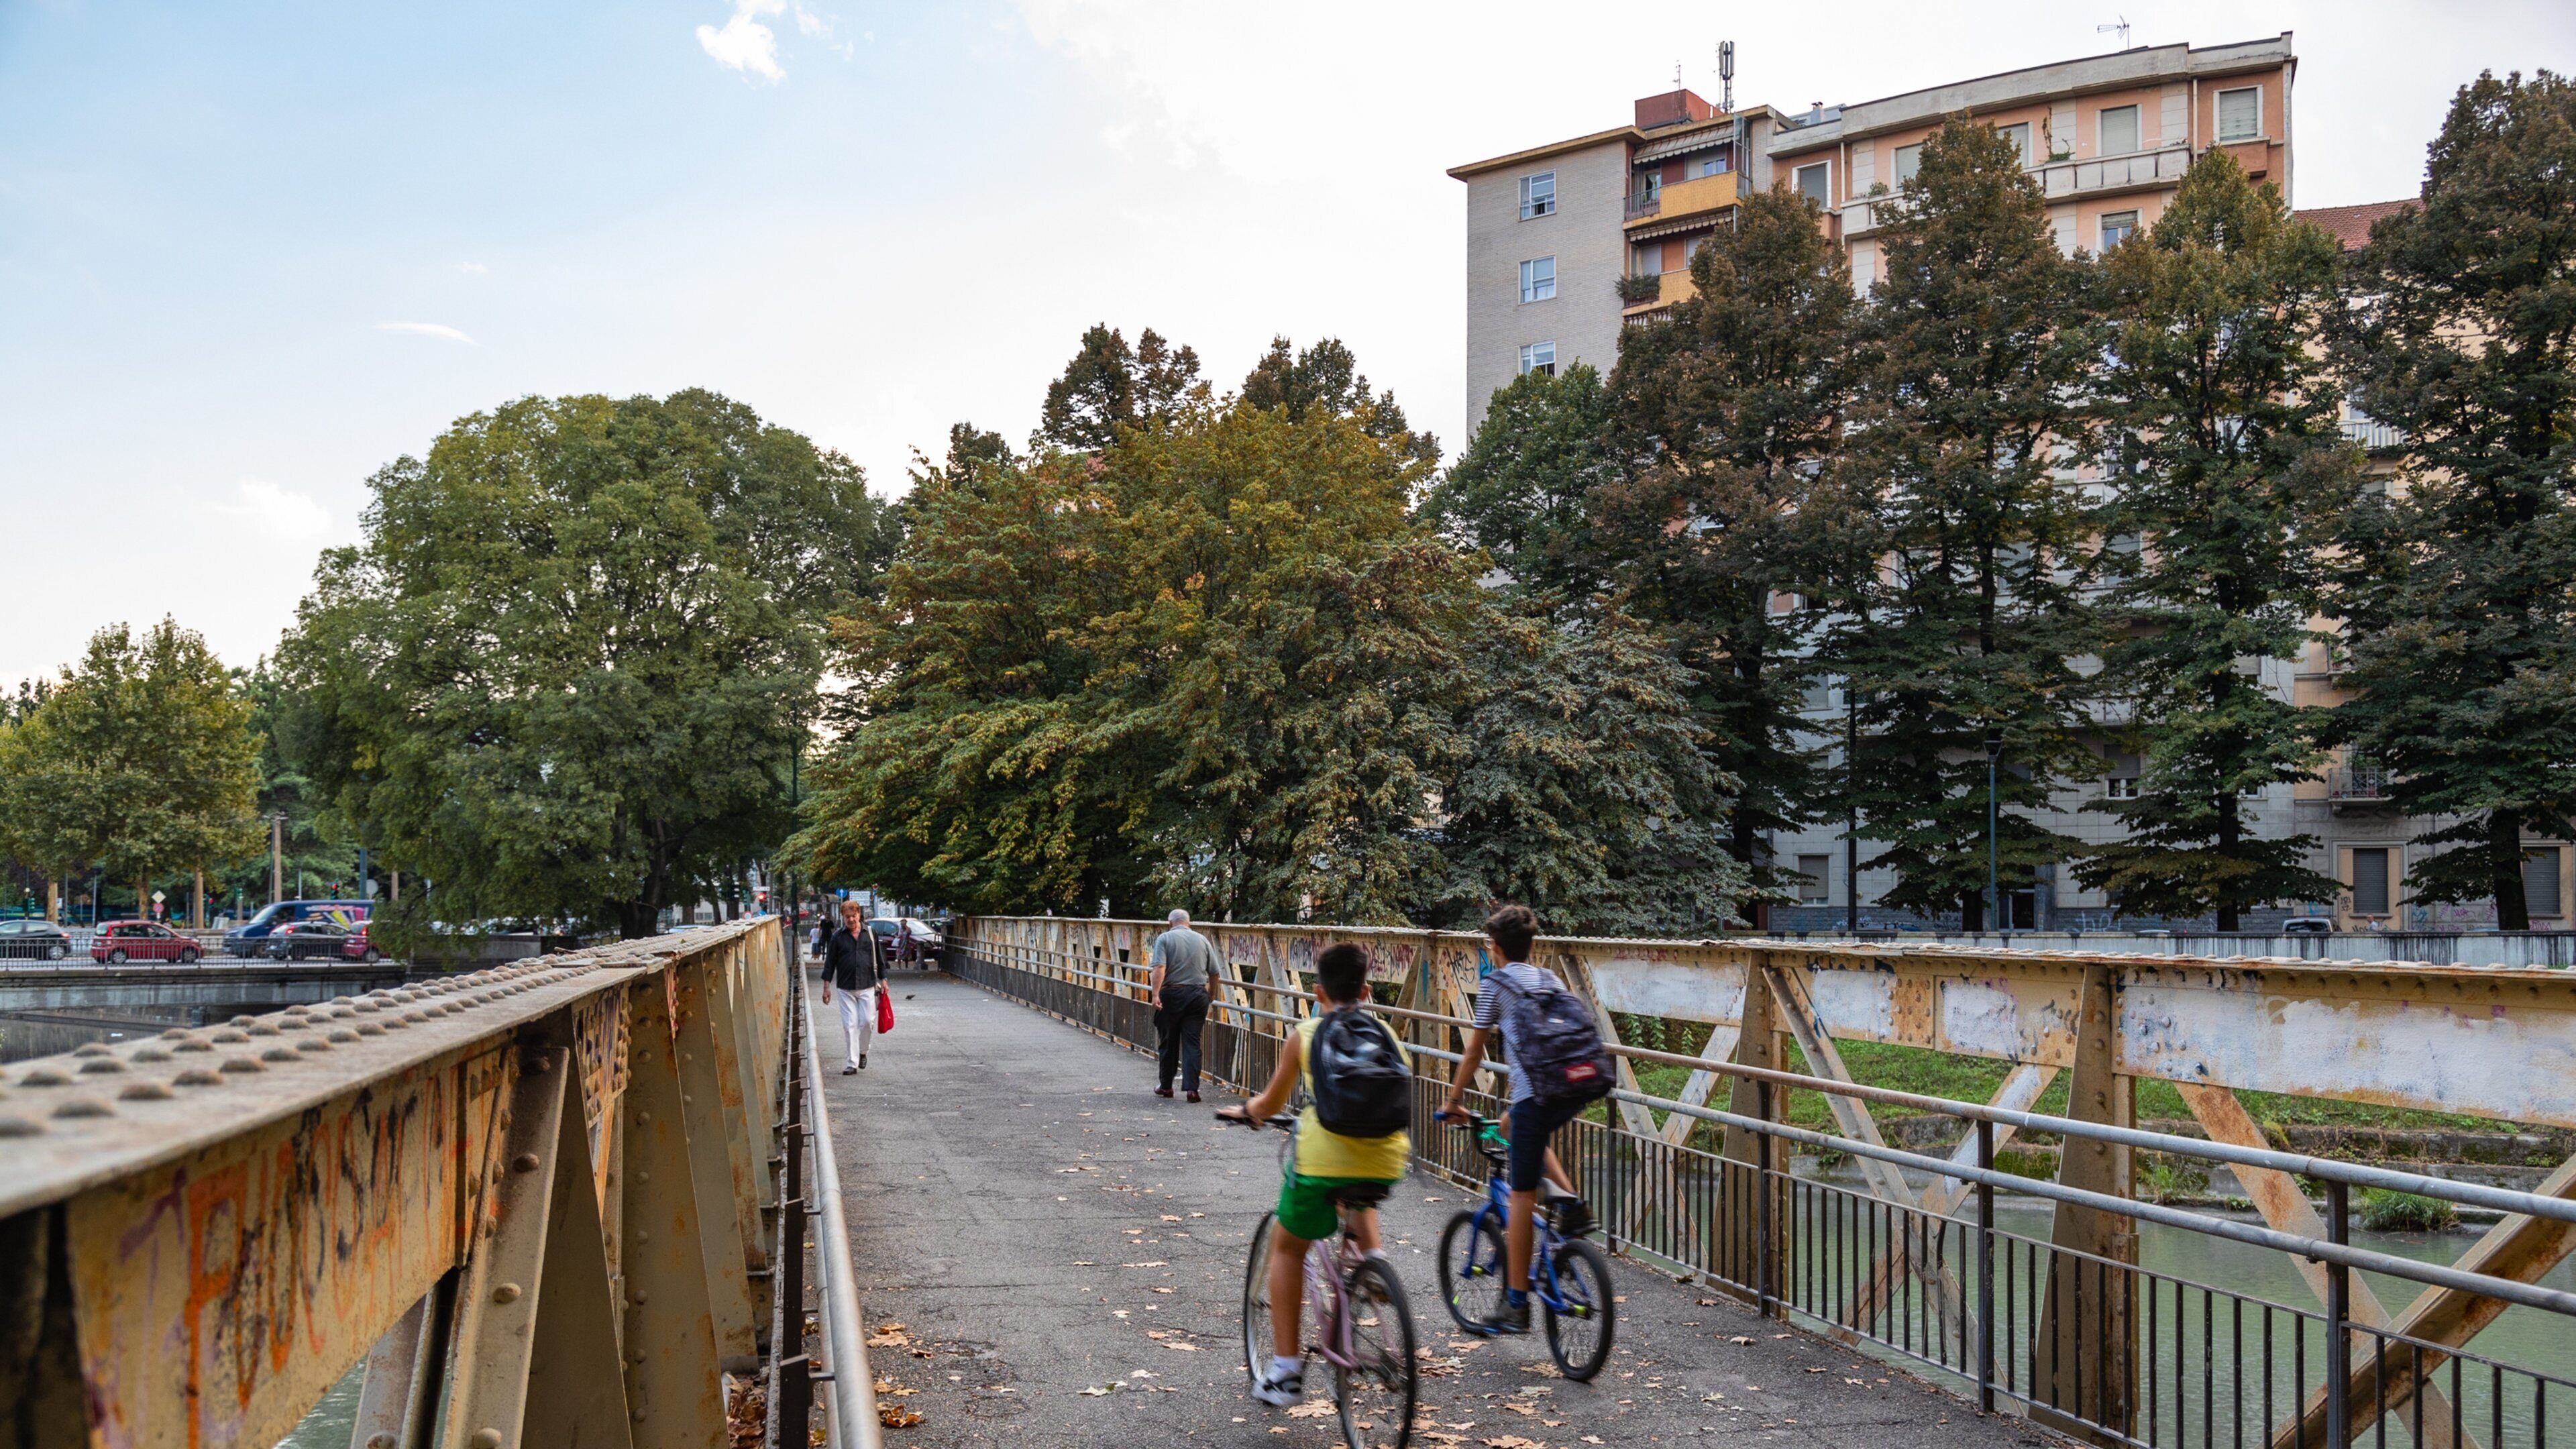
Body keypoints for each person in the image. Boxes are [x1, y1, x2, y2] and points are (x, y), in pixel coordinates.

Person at [1216, 943, 1408, 1407]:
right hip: (1387, 1156)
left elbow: (1272, 1104)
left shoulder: (1304, 1033)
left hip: (1324, 1161)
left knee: (1287, 1245)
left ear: (1317, 991)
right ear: (1366, 990)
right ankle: (1375, 1261)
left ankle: (1283, 1373)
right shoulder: (1386, 1031)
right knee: (1359, 1191)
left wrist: (1248, 1111)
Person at [1438, 903, 1594, 1334]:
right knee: (1514, 1128)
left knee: (1521, 1198)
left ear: (1494, 948)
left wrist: (1453, 1100)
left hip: (1535, 1096)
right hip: (1572, 1088)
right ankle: (1571, 1204)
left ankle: (1516, 1303)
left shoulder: (1495, 984)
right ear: (1532, 945)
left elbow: (1474, 1051)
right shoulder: (1549, 978)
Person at [1150, 908, 1216, 1102]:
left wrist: (1155, 995)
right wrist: (1211, 994)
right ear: (1189, 923)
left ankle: (1166, 1086)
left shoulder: (1165, 939)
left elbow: (1159, 967)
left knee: (1168, 1041)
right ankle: (1192, 1090)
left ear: (1170, 923)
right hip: (1197, 995)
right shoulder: (1203, 940)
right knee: (1192, 1042)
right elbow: (1214, 973)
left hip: (1172, 993)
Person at [818, 899, 886, 1073]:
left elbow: (879, 957)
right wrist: (826, 987)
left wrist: (883, 979)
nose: (851, 920)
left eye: (854, 916)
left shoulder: (870, 933)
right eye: (847, 917)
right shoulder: (837, 937)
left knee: (867, 1022)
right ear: (843, 917)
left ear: (859, 915)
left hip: (867, 985)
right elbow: (830, 963)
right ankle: (852, 1063)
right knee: (849, 1025)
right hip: (845, 987)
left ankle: (863, 1052)